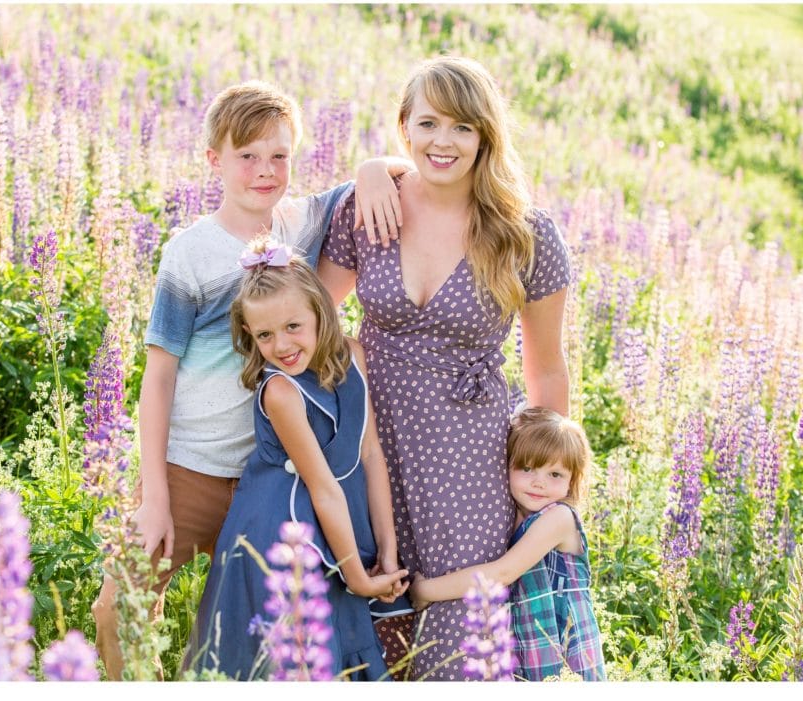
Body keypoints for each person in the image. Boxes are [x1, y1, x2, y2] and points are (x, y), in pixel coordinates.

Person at [91, 80, 408, 680]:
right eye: (247, 156)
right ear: (214, 160)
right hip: (192, 469)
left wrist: (369, 165)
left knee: (268, 631)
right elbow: (158, 379)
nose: (265, 171)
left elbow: (385, 175)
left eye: (280, 157)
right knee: (120, 607)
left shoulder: (302, 220)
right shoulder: (190, 253)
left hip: (269, 479)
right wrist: (155, 496)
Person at [318, 55, 573, 679]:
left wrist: (548, 487)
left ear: (486, 135)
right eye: (429, 123)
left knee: (459, 645)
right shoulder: (368, 205)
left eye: (462, 126)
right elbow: (315, 321)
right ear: (404, 126)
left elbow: (546, 374)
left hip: (469, 464)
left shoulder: (525, 234)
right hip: (368, 450)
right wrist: (370, 168)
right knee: (362, 637)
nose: (443, 141)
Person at [182, 238, 409, 680]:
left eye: (292, 326)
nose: (281, 345)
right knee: (291, 659)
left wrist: (387, 548)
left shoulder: (354, 355)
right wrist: (359, 579)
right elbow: (323, 489)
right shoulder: (281, 391)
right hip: (283, 535)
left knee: (335, 651)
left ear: (320, 314)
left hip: (340, 524)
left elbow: (370, 452)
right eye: (264, 335)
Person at [409, 408, 606, 681]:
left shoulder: (559, 518)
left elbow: (502, 574)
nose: (539, 482)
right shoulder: (512, 516)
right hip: (529, 657)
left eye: (555, 475)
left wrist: (425, 590)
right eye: (527, 468)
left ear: (573, 480)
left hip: (566, 657)